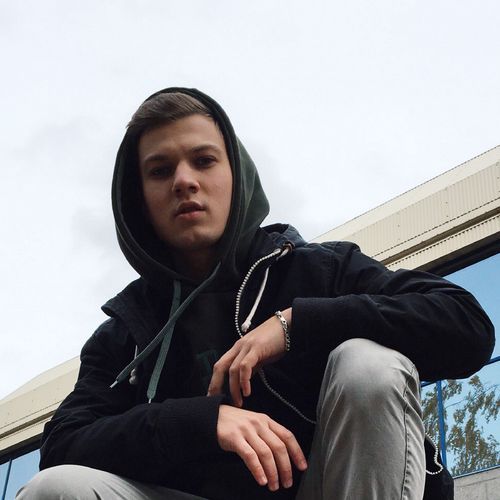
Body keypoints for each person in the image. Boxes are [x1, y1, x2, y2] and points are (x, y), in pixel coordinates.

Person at [18, 88, 494, 500]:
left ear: (237, 175)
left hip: (331, 487)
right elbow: (62, 444)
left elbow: (466, 324)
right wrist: (204, 422)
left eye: (204, 160)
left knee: (368, 364)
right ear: (137, 197)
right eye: (160, 171)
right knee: (53, 489)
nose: (184, 181)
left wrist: (295, 325)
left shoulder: (318, 269)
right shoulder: (126, 333)